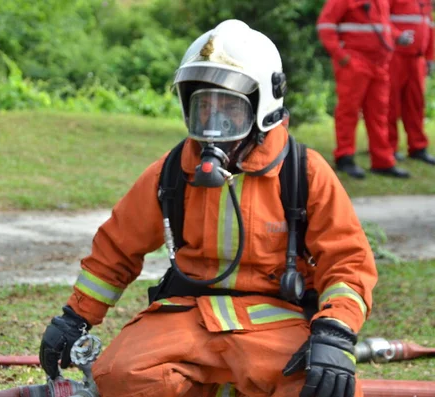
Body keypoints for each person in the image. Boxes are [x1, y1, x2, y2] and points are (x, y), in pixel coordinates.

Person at [39, 20, 377, 397]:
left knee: (324, 388)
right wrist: (75, 317)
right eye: (204, 107)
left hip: (276, 323)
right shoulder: (171, 172)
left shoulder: (302, 171)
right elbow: (116, 249)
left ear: (263, 105)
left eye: (229, 108)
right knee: (116, 378)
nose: (214, 121)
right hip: (186, 317)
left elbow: (348, 262)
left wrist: (334, 332)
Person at [317, 0, 411, 179]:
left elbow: (382, 25)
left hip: (379, 65)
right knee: (348, 112)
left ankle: (383, 162)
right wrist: (341, 56)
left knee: (379, 115)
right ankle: (345, 158)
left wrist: (398, 36)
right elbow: (325, 25)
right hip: (355, 63)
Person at [388, 0, 435, 165]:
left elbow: (429, 26)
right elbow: (381, 20)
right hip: (395, 56)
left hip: (417, 60)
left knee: (416, 105)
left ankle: (418, 147)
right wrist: (397, 36)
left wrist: (430, 56)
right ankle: (388, 148)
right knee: (390, 104)